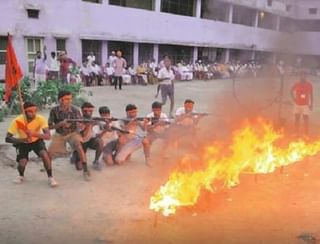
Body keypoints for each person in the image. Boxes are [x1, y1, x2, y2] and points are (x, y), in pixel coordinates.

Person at [5, 102, 58, 187]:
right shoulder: (17, 121)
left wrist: (34, 134)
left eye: (35, 111)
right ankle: (21, 175)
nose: (33, 113)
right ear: (24, 111)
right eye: (30, 111)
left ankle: (50, 177)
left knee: (44, 155)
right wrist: (23, 140)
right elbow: (7, 138)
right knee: (22, 162)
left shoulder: (40, 119)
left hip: (37, 141)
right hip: (22, 143)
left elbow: (48, 136)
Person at [48, 91, 91, 181]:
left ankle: (86, 170)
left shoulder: (75, 110)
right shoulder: (54, 110)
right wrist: (61, 124)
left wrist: (83, 125)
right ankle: (48, 169)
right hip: (59, 134)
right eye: (67, 99)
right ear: (60, 100)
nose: (70, 101)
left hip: (73, 133)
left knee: (79, 145)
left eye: (70, 98)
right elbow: (50, 127)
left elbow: (80, 123)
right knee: (49, 154)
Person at [71, 102, 105, 171]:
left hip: (90, 141)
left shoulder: (92, 119)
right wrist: (89, 124)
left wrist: (106, 123)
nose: (88, 113)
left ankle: (96, 161)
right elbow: (83, 134)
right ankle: (75, 154)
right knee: (79, 168)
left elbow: (104, 127)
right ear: (82, 111)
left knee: (100, 141)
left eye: (90, 111)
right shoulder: (78, 120)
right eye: (86, 111)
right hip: (81, 143)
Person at [291, 71, 313, 136]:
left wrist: (311, 104)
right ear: (300, 76)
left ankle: (306, 134)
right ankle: (296, 132)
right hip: (297, 104)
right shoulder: (296, 84)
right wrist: (293, 99)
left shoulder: (309, 85)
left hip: (305, 105)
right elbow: (291, 91)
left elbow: (311, 95)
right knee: (296, 118)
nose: (303, 77)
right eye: (301, 76)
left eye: (304, 76)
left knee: (305, 119)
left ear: (306, 77)